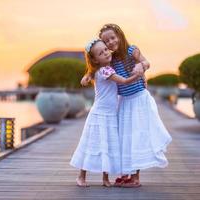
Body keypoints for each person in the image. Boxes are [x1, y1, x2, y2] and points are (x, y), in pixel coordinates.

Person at [82, 24, 172, 187]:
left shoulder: (132, 50)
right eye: (106, 41)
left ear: (120, 36)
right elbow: (96, 67)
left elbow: (146, 62)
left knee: (136, 136)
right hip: (124, 101)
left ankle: (136, 177)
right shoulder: (109, 59)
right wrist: (88, 75)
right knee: (124, 138)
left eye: (113, 38)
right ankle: (127, 173)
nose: (110, 42)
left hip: (138, 99)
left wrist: (141, 66)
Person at [70, 39, 141, 187]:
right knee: (93, 144)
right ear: (95, 59)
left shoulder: (100, 69)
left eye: (106, 50)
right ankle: (81, 177)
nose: (105, 53)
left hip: (109, 114)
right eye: (100, 53)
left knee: (106, 145)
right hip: (99, 114)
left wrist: (87, 76)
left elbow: (87, 77)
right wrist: (137, 76)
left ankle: (105, 178)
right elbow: (123, 81)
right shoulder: (104, 70)